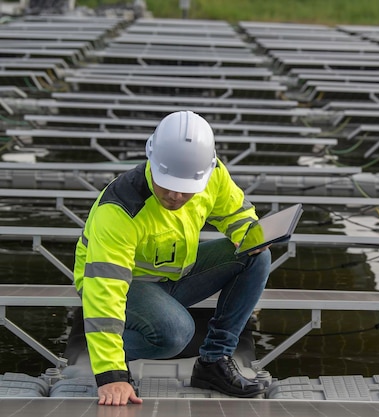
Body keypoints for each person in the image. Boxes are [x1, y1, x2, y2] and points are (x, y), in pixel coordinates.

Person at [73, 110, 271, 406]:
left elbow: (236, 210)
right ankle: (109, 349)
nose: (177, 196)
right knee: (176, 333)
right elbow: (106, 292)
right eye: (168, 184)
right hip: (126, 285)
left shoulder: (212, 173)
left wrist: (245, 232)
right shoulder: (119, 210)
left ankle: (214, 362)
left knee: (256, 255)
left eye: (186, 189)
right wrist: (111, 373)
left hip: (173, 275)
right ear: (151, 161)